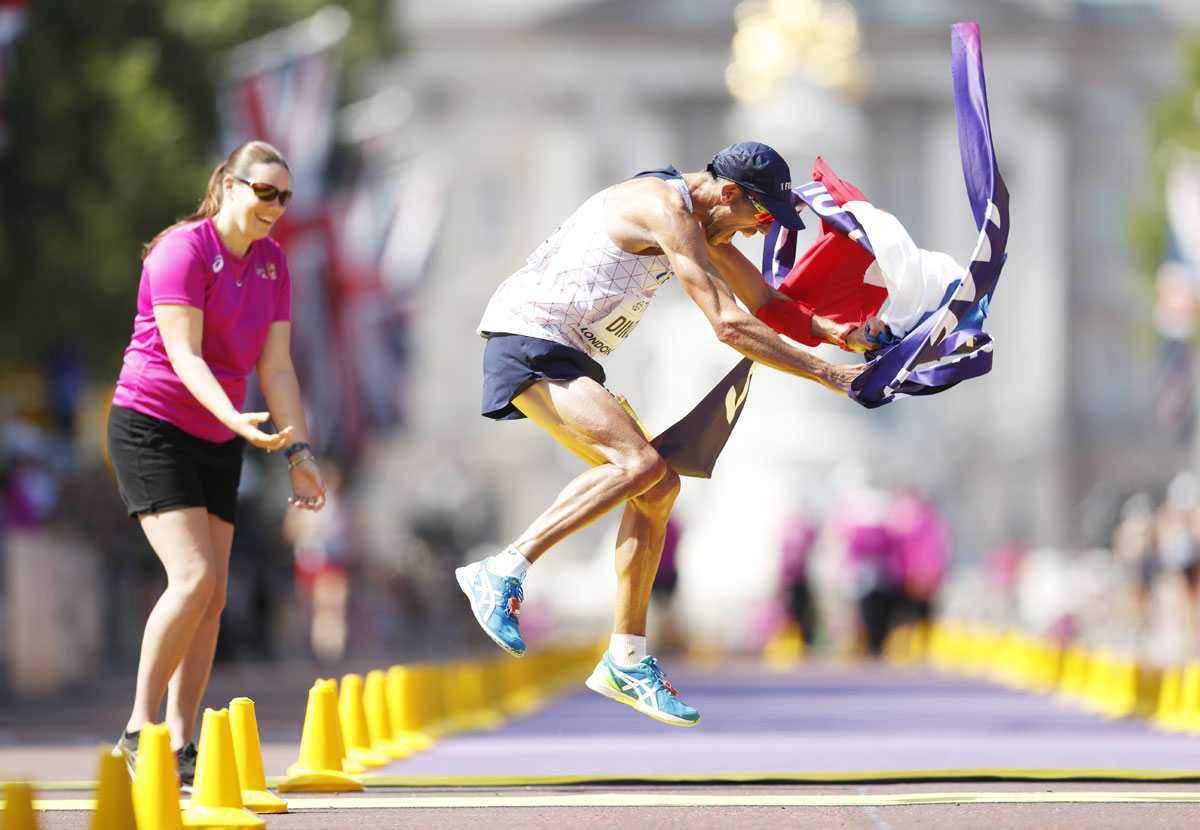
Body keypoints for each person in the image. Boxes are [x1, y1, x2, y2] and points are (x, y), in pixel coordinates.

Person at [458, 141, 873, 726]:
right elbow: (730, 324)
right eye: (761, 219)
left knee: (657, 488)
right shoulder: (664, 209)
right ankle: (501, 570)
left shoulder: (704, 219)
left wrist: (844, 335)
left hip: (566, 352)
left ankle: (625, 657)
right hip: (528, 340)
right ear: (728, 193)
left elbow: (765, 301)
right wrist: (830, 376)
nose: (759, 234)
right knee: (638, 467)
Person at [106, 141, 326, 788]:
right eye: (265, 192)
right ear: (229, 186)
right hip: (153, 424)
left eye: (285, 197)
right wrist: (231, 417)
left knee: (215, 596)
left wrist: (300, 453)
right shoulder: (182, 249)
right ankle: (136, 730)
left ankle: (180, 742)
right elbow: (184, 354)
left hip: (221, 434)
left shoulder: (274, 264)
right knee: (193, 576)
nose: (275, 208)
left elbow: (277, 366)